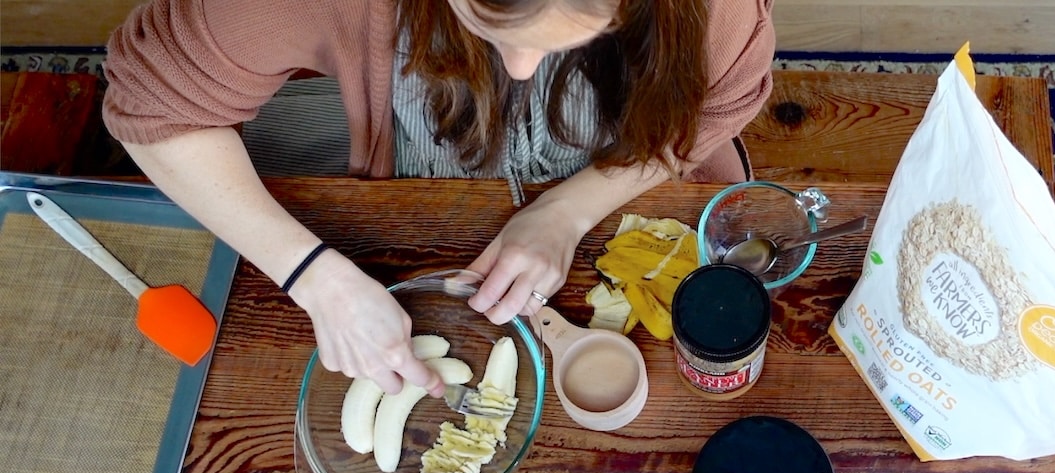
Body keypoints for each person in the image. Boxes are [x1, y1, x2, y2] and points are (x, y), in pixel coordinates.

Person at [102, 0, 775, 396]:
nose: (516, 71)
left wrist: (568, 211)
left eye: (561, 37)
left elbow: (715, 104)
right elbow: (150, 106)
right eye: (488, 26)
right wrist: (312, 276)